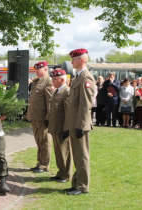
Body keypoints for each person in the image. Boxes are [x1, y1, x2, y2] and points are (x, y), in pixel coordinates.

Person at [63, 48, 95, 195]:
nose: (71, 61)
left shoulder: (86, 78)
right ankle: (76, 183)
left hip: (79, 124)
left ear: (81, 59)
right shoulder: (78, 77)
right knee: (77, 155)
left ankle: (82, 186)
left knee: (82, 156)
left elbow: (85, 104)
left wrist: (81, 125)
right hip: (74, 123)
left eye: (74, 59)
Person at [27, 61, 53, 173]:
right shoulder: (37, 81)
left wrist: (48, 117)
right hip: (35, 117)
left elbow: (50, 101)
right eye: (36, 69)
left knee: (45, 142)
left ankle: (44, 165)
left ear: (45, 69)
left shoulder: (48, 81)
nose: (36, 71)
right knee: (39, 142)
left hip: (43, 118)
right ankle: (39, 162)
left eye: (39, 69)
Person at [48, 69, 72, 183]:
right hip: (55, 126)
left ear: (63, 80)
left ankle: (66, 174)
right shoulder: (57, 91)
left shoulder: (66, 91)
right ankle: (61, 172)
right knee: (58, 151)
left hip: (62, 127)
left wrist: (67, 128)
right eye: (53, 79)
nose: (53, 81)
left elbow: (68, 112)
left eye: (55, 79)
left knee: (64, 152)